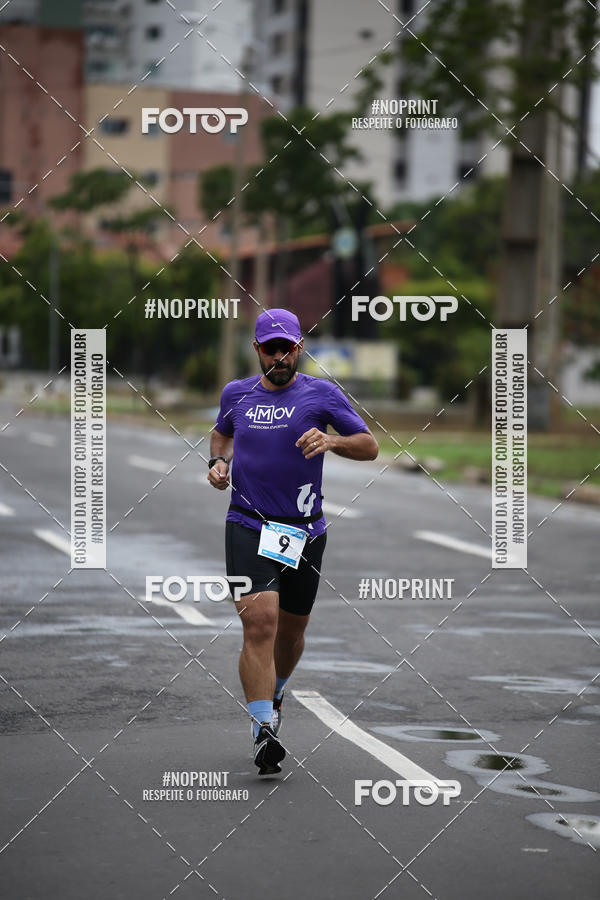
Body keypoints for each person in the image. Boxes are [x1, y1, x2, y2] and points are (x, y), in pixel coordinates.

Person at [207, 309, 378, 774]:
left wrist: (332, 442)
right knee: (260, 623)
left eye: (287, 348)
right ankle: (263, 730)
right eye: (271, 349)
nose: (279, 357)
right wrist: (217, 463)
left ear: (299, 348)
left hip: (304, 531)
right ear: (257, 350)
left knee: (291, 633)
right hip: (247, 524)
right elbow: (221, 434)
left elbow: (370, 446)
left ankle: (277, 692)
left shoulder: (322, 394)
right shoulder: (236, 394)